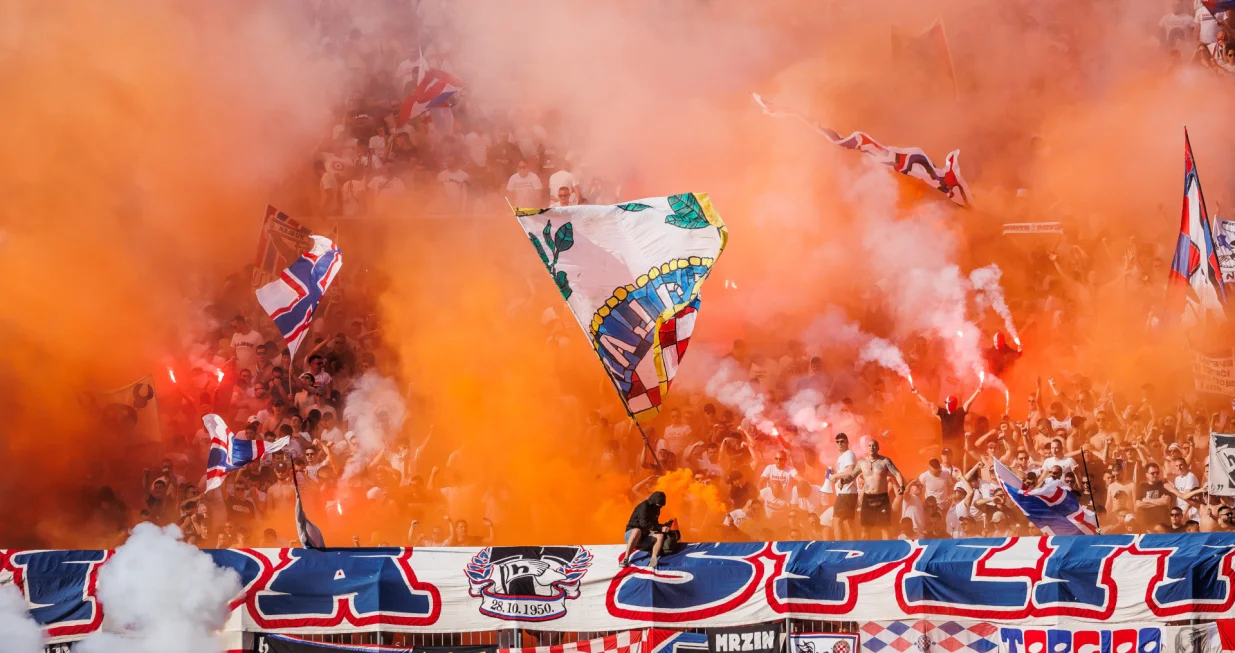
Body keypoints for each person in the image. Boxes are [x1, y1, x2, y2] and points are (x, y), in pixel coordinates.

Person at [833, 439, 906, 539]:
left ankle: (887, 552)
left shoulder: (885, 461)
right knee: (865, 529)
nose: (872, 447)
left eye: (874, 445)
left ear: (878, 448)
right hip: (868, 498)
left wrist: (901, 486)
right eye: (870, 445)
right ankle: (865, 553)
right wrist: (842, 481)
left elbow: (896, 473)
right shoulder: (862, 462)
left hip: (882, 498)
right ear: (867, 448)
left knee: (884, 528)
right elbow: (852, 476)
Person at [911, 377, 984, 453]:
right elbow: (929, 404)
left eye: (948, 403)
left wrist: (978, 391)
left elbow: (969, 402)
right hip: (947, 448)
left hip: (959, 447)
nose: (947, 405)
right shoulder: (944, 412)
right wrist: (918, 393)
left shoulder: (958, 412)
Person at [622, 491, 672, 569]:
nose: (659, 507)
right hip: (631, 535)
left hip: (643, 538)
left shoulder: (656, 509)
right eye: (658, 505)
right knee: (637, 531)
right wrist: (660, 528)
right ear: (653, 501)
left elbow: (654, 525)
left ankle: (653, 559)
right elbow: (643, 523)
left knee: (660, 535)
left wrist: (664, 526)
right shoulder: (643, 506)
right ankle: (625, 559)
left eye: (661, 506)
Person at [830, 432, 858, 540]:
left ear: (847, 442)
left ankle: (839, 546)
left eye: (842, 441)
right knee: (848, 523)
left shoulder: (849, 454)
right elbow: (845, 473)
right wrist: (834, 476)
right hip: (848, 492)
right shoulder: (842, 457)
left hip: (846, 492)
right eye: (837, 442)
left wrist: (836, 475)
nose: (840, 444)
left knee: (836, 521)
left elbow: (850, 471)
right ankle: (852, 547)